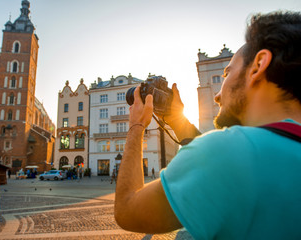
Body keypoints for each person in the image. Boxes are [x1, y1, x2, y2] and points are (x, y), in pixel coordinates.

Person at [114, 11, 301, 240]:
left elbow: (127, 210)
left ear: (258, 66)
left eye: (226, 74)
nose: (218, 95)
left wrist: (136, 126)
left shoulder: (228, 151)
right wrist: (176, 120)